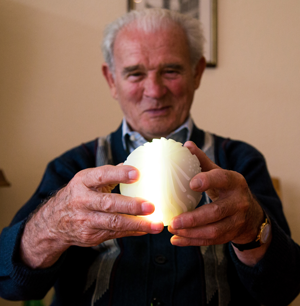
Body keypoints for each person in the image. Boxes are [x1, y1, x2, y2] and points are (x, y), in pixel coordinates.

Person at [0, 8, 299, 306]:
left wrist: (252, 227)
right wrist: (53, 224)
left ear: (196, 73)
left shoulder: (239, 163)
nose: (154, 91)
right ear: (111, 79)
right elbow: (11, 284)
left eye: (171, 71)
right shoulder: (74, 167)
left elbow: (283, 291)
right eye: (135, 73)